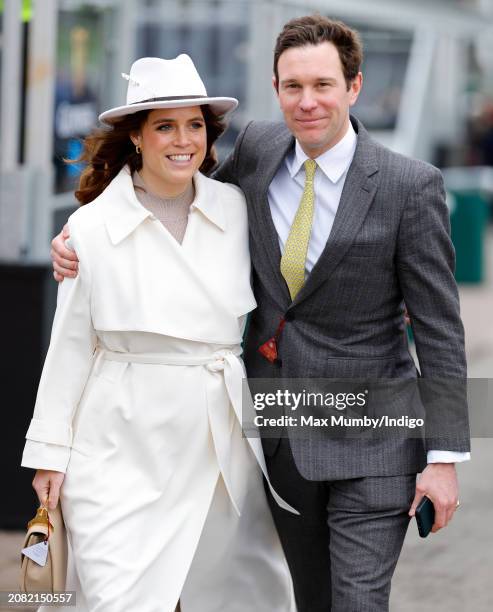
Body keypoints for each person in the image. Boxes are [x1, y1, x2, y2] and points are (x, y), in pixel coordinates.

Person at [51, 16, 471, 612]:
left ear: (354, 87)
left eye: (323, 85)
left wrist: (444, 458)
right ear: (275, 89)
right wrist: (78, 238)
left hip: (376, 439)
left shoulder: (411, 186)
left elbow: (440, 329)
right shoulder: (256, 151)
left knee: (357, 600)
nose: (307, 102)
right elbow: (175, 209)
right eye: (292, 87)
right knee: (310, 598)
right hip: (279, 435)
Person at [22, 55, 296, 612]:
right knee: (116, 596)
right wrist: (49, 455)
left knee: (232, 596)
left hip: (216, 445)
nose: (183, 140)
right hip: (117, 447)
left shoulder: (236, 207)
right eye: (165, 126)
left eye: (194, 124)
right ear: (138, 138)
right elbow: (70, 346)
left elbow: (291, 282)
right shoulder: (91, 227)